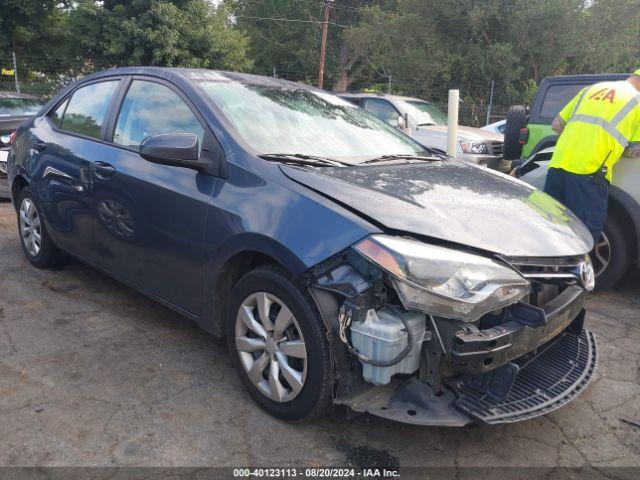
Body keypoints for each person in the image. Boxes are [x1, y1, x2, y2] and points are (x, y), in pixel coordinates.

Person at [542, 70, 640, 243]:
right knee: (583, 235)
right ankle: (574, 269)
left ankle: (542, 268)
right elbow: (634, 150)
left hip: (557, 166)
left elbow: (556, 125)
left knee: (550, 227)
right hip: (589, 173)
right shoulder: (637, 103)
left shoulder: (592, 88)